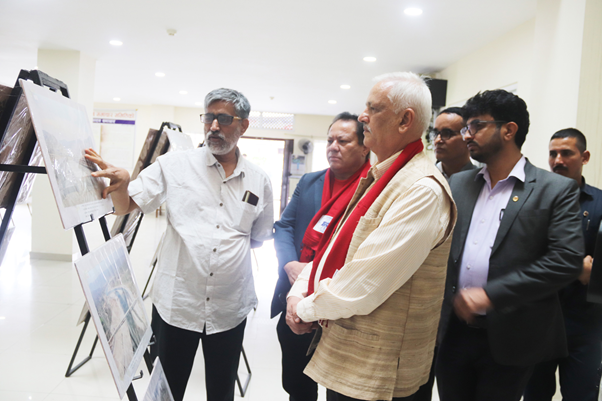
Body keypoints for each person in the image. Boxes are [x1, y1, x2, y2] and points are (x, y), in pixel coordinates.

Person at [85, 88, 274, 401]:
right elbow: (126, 204)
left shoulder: (259, 179)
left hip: (229, 308)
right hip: (178, 305)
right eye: (208, 117)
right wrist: (121, 183)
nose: (214, 126)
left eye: (224, 119)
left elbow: (258, 237)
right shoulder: (174, 165)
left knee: (222, 390)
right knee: (166, 390)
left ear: (243, 125)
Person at [286, 72, 456, 401]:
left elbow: (364, 283)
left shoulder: (422, 189)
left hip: (379, 370)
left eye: (373, 109)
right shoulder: (382, 174)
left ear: (405, 120)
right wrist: (297, 293)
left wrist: (303, 309)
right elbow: (332, 248)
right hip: (347, 355)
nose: (362, 117)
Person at [435, 90, 584, 401]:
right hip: (453, 332)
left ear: (509, 130)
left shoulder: (555, 190)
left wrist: (491, 294)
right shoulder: (458, 184)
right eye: (466, 128)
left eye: (476, 126)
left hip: (513, 334)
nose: (467, 135)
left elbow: (565, 260)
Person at [272, 112, 370, 401]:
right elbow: (284, 226)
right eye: (329, 140)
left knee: (338, 390)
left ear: (365, 147)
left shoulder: (374, 188)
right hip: (296, 297)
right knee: (297, 384)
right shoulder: (310, 182)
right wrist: (290, 265)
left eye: (343, 141)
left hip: (341, 305)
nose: (333, 147)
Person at [524, 128, 602, 401]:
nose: (558, 160)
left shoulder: (600, 203)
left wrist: (592, 273)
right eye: (553, 154)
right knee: (535, 395)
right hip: (539, 320)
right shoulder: (531, 201)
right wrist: (575, 267)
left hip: (584, 324)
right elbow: (519, 255)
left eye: (566, 153)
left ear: (585, 157)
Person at [431, 107, 477, 178]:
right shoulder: (422, 177)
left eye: (447, 133)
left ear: (467, 136)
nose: (437, 140)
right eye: (436, 133)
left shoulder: (482, 180)